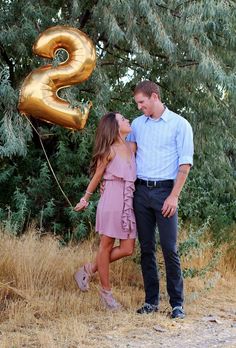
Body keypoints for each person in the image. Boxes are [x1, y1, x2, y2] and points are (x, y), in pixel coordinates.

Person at [127, 80, 194, 319]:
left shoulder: (180, 124)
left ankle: (177, 304)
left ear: (154, 97)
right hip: (141, 191)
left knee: (169, 248)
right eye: (137, 104)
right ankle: (151, 302)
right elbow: (128, 156)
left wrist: (174, 196)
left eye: (141, 102)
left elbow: (184, 164)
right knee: (146, 249)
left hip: (166, 191)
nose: (139, 107)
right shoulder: (136, 124)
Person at [74, 111, 137, 310]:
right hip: (110, 199)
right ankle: (106, 294)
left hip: (127, 201)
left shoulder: (132, 146)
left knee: (128, 248)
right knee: (106, 245)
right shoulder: (109, 151)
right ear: (115, 127)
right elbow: (97, 176)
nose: (127, 119)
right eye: (123, 119)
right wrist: (85, 198)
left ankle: (88, 269)